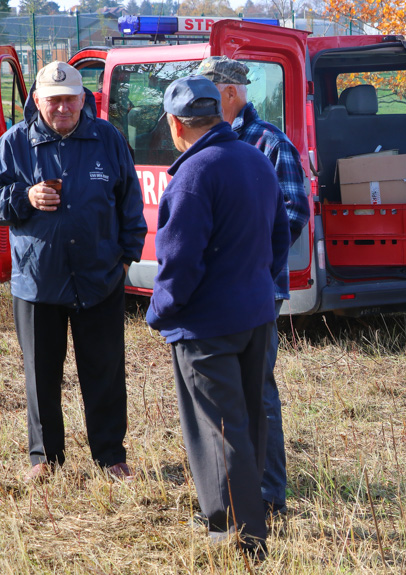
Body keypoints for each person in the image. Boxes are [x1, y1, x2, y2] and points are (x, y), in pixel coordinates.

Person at [145, 75, 291, 557]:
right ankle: (254, 516)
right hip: (255, 315)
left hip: (206, 327)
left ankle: (240, 536)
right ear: (216, 113)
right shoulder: (254, 158)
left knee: (217, 431)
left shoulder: (192, 175)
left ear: (175, 124)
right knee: (249, 422)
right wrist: (254, 286)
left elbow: (179, 262)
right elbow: (279, 239)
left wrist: (160, 312)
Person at [0, 61, 146, 483]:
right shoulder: (13, 143)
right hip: (37, 280)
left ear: (84, 100)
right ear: (37, 101)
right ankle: (45, 459)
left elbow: (129, 201)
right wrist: (24, 196)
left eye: (70, 100)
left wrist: (125, 258)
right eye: (54, 100)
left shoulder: (108, 140)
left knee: (103, 370)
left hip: (100, 278)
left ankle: (110, 455)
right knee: (40, 374)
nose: (63, 108)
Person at [196, 55, 309, 517]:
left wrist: (238, 252)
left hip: (257, 290)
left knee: (257, 392)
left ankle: (267, 494)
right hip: (215, 294)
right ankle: (230, 493)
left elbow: (293, 215)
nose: (195, 103)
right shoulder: (204, 143)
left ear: (227, 93)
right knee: (224, 394)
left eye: (204, 92)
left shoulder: (270, 143)